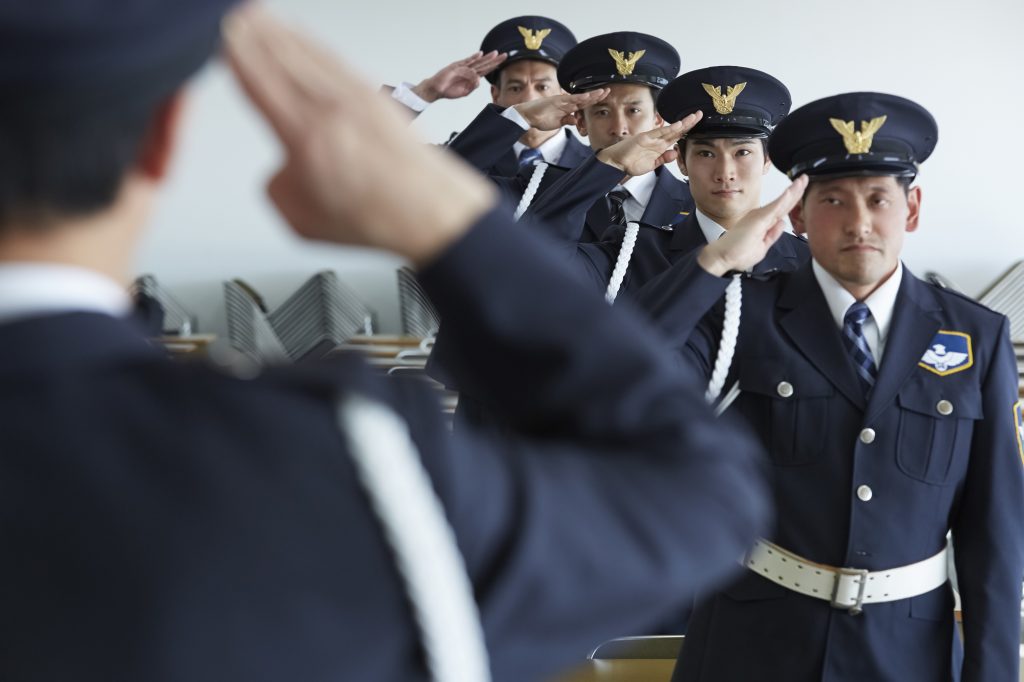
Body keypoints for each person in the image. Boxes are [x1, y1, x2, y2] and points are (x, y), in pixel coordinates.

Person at [0, 3, 775, 682]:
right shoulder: (348, 458)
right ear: (162, 140)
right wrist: (452, 226)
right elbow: (695, 502)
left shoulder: (673, 207)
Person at [656, 92, 1024, 682]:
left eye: (878, 199)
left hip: (908, 652)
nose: (858, 223)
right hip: (754, 644)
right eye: (832, 200)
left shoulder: (975, 336)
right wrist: (715, 262)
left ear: (912, 209)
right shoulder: (742, 314)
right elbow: (612, 375)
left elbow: (995, 533)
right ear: (798, 215)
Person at [526, 65, 807, 304]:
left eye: (742, 152)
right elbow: (539, 261)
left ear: (767, 160)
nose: (725, 173)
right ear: (681, 161)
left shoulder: (808, 260)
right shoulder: (633, 252)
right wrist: (608, 164)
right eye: (706, 154)